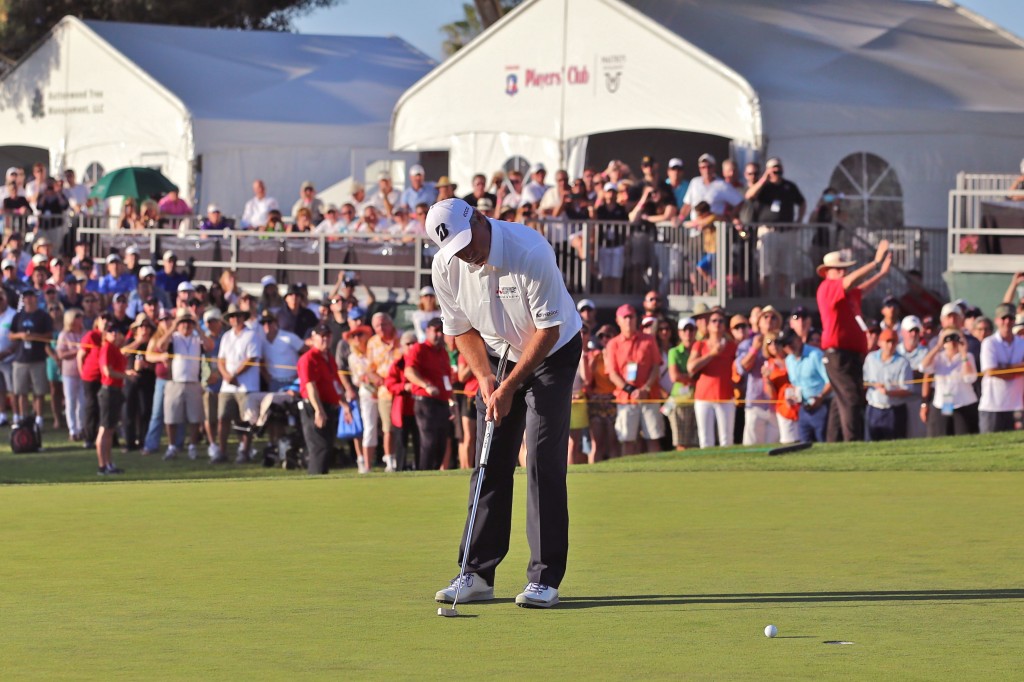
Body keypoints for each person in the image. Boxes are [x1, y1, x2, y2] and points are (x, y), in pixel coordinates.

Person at [427, 197, 582, 610]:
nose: (466, 253)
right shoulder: (446, 266)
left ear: (479, 218)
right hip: (495, 356)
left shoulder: (528, 250)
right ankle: (476, 573)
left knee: (542, 461)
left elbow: (548, 331)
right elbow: (460, 330)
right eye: (455, 248)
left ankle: (545, 578)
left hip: (551, 352)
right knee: (490, 459)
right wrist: (485, 379)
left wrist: (510, 385)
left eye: (467, 241)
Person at [816, 240, 892, 442]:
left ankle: (833, 441)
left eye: (844, 269)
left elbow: (862, 288)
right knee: (851, 398)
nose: (842, 273)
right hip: (838, 354)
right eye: (838, 269)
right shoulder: (827, 288)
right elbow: (850, 282)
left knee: (842, 399)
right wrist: (875, 262)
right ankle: (853, 442)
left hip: (850, 354)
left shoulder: (847, 294)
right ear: (827, 272)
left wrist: (881, 274)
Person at [604, 304, 664, 456]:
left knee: (653, 438)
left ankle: (656, 474)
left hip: (649, 396)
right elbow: (613, 374)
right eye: (625, 317)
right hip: (626, 398)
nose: (629, 320)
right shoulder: (613, 344)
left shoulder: (649, 340)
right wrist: (631, 391)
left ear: (637, 318)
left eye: (632, 316)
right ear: (618, 320)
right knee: (627, 440)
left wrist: (645, 389)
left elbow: (656, 367)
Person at [157, 308, 210, 460]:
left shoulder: (196, 338)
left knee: (194, 418)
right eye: (183, 322)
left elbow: (209, 346)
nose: (186, 325)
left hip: (193, 382)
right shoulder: (173, 338)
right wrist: (173, 326)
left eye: (189, 322)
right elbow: (160, 346)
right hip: (175, 382)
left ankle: (192, 445)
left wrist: (198, 327)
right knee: (171, 417)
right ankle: (172, 446)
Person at [297, 323, 349, 475]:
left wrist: (343, 404)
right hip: (313, 407)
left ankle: (322, 479)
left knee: (327, 447)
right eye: (322, 336)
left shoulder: (329, 357)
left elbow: (333, 384)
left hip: (328, 407)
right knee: (319, 447)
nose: (325, 339)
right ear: (313, 338)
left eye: (328, 335)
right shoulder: (308, 358)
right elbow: (310, 387)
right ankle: (314, 482)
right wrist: (318, 410)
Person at [404, 317, 454, 471]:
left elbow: (446, 378)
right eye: (436, 330)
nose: (439, 334)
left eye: (441, 331)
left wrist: (451, 401)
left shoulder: (443, 352)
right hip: (425, 401)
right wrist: (425, 385)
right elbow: (409, 371)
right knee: (429, 441)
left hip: (442, 402)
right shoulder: (419, 348)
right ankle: (424, 473)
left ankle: (434, 474)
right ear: (427, 331)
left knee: (441, 442)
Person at [686, 308, 738, 447]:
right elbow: (691, 367)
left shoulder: (732, 346)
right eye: (714, 321)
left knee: (727, 440)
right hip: (703, 397)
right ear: (708, 326)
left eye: (721, 321)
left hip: (726, 396)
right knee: (705, 440)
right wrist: (712, 354)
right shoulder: (700, 345)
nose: (717, 323)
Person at [217, 305, 262, 463]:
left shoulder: (251, 335)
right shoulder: (226, 336)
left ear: (243, 317)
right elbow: (220, 360)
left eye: (238, 315)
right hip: (227, 385)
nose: (235, 319)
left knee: (245, 420)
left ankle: (244, 450)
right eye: (232, 316)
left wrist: (234, 374)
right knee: (223, 418)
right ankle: (222, 451)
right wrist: (226, 376)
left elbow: (251, 359)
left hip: (246, 385)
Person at [920, 328, 979, 436]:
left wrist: (964, 354)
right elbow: (922, 367)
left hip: (964, 403)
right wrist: (937, 346)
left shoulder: (968, 357)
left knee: (964, 437)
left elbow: (970, 378)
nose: (951, 341)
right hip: (943, 403)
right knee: (942, 436)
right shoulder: (938, 358)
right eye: (947, 339)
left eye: (954, 338)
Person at [977, 303, 1024, 433]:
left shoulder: (1021, 342)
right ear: (997, 320)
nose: (1007, 322)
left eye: (1010, 318)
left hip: (1016, 405)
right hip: (992, 406)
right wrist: (1017, 369)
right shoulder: (989, 342)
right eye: (1003, 318)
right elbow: (991, 371)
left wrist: (1003, 368)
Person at [779, 329, 831, 443]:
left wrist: (820, 396)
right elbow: (795, 384)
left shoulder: (815, 355)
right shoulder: (789, 360)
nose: (788, 346)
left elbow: (830, 381)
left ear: (798, 339)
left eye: (790, 342)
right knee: (804, 446)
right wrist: (791, 397)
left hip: (821, 406)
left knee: (823, 444)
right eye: (784, 345)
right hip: (803, 408)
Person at [10, 288, 52, 427]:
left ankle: (39, 419)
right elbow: (11, 334)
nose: (29, 299)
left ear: (35, 298)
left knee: (38, 392)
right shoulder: (18, 316)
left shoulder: (43, 316)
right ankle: (23, 417)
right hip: (21, 359)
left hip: (38, 358)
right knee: (21, 391)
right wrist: (21, 335)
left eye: (31, 296)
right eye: (26, 297)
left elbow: (49, 336)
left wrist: (35, 336)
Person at [863, 329, 913, 441]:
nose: (890, 345)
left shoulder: (903, 362)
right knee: (871, 444)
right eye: (887, 341)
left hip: (894, 410)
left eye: (894, 342)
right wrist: (874, 385)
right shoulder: (870, 359)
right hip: (874, 408)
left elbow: (908, 390)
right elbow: (864, 381)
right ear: (880, 342)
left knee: (895, 444)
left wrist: (890, 392)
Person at [97, 323, 131, 475]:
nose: (116, 335)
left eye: (118, 332)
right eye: (113, 332)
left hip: (116, 390)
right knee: (105, 429)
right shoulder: (107, 348)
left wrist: (127, 372)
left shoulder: (115, 349)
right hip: (109, 391)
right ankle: (103, 465)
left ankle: (109, 463)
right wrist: (126, 376)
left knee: (110, 430)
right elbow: (108, 371)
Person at [760, 331, 800, 444]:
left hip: (801, 402)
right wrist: (767, 380)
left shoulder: (793, 359)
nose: (774, 345)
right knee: (789, 441)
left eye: (776, 342)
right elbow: (771, 396)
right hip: (784, 406)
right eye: (769, 342)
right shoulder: (768, 365)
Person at [666, 317, 698, 450]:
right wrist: (694, 378)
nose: (688, 333)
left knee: (697, 442)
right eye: (685, 330)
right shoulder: (674, 352)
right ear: (679, 332)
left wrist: (687, 377)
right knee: (681, 443)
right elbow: (675, 376)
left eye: (691, 329)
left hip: (698, 400)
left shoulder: (701, 349)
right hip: (680, 401)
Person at [896, 315, 929, 439]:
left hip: (917, 399)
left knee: (918, 436)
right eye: (910, 331)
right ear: (903, 332)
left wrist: (905, 374)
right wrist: (914, 373)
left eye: (916, 331)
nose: (914, 334)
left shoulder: (925, 352)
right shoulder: (896, 351)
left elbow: (926, 373)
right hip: (898, 399)